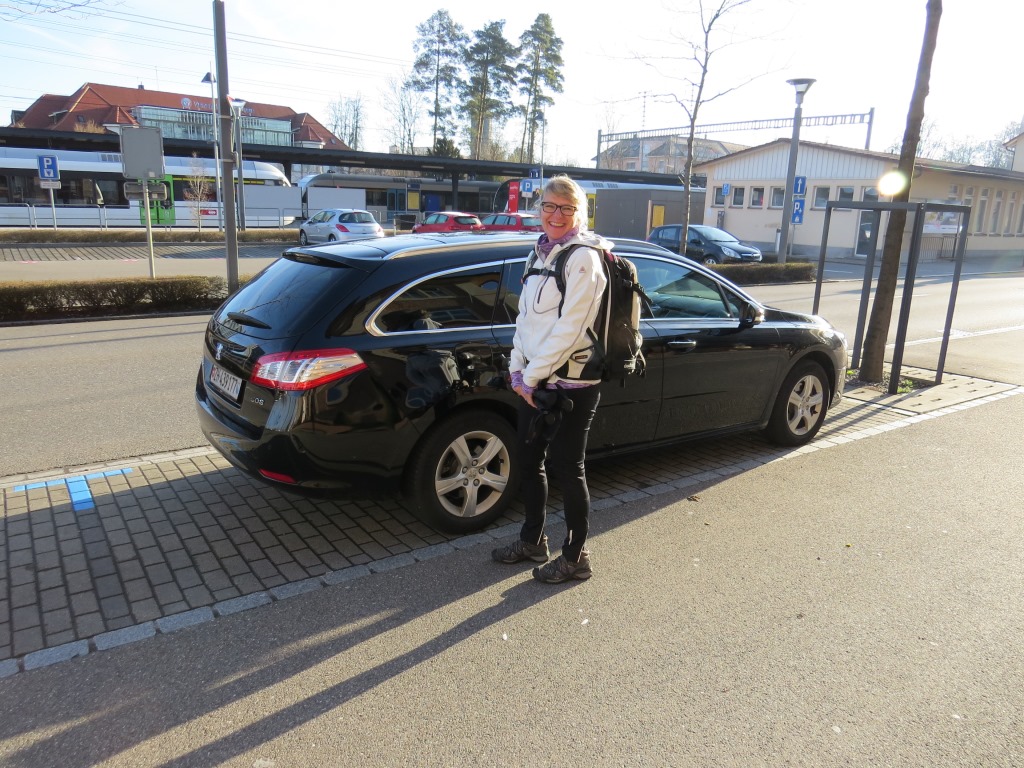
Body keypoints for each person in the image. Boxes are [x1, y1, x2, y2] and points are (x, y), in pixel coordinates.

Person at [491, 174, 611, 583]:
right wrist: (517, 369)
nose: (556, 215)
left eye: (566, 208)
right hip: (535, 382)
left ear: (580, 213)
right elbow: (525, 319)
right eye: (549, 206)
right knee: (528, 461)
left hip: (571, 385)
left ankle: (576, 558)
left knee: (568, 469)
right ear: (539, 209)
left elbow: (572, 329)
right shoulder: (538, 254)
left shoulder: (584, 259)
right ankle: (532, 541)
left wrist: (532, 376)